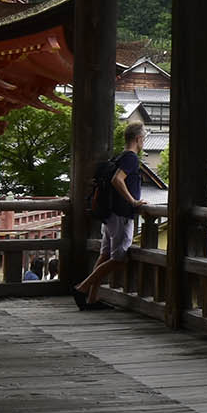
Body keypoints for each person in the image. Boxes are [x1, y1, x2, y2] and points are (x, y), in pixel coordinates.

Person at [73, 122, 147, 306]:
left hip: (110, 215)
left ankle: (91, 298)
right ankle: (82, 288)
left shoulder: (118, 157)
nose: (144, 142)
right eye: (144, 138)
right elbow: (117, 180)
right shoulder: (131, 158)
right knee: (119, 258)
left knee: (105, 255)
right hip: (121, 215)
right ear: (138, 139)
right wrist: (133, 201)